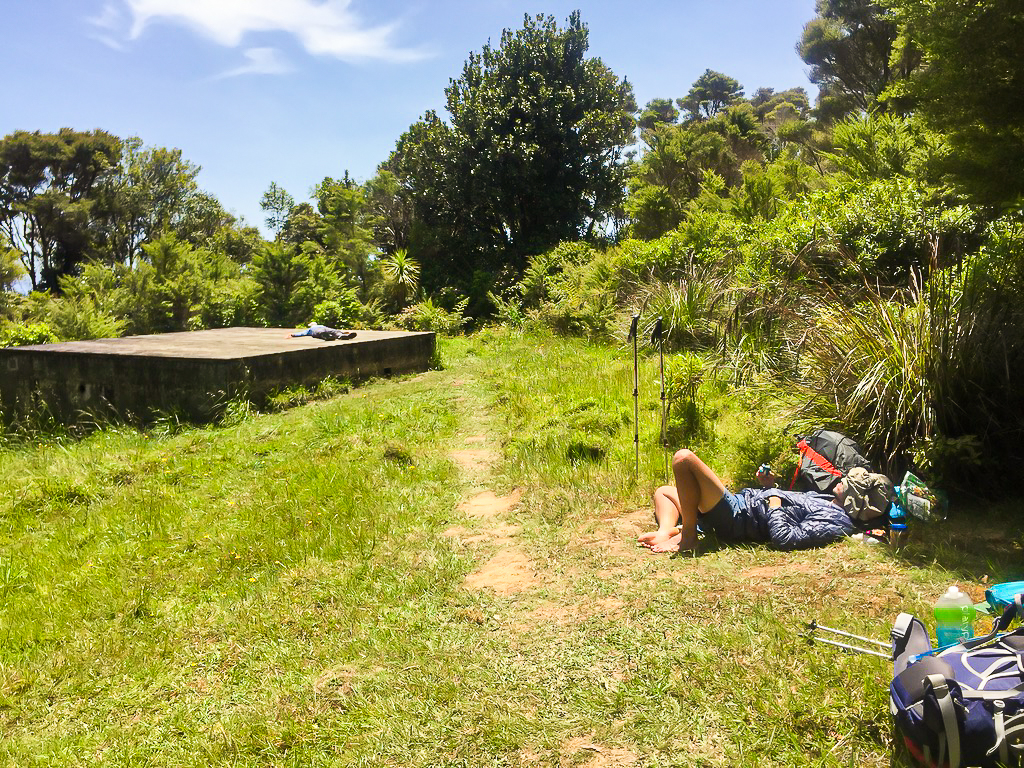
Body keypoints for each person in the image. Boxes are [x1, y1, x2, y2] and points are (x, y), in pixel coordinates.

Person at [637, 449, 855, 554]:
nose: (846, 481)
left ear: (856, 501)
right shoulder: (827, 499)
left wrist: (773, 500)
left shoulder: (835, 520)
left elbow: (785, 538)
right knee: (664, 492)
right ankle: (666, 530)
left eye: (853, 484)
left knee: (683, 459)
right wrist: (769, 487)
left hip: (739, 517)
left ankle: (690, 535)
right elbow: (788, 506)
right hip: (741, 502)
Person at [289, 323, 356, 341]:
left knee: (320, 333)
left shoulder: (310, 329)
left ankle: (327, 337)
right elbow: (332, 329)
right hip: (326, 329)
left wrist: (293, 335)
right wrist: (343, 332)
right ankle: (342, 336)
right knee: (335, 332)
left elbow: (302, 333)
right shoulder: (322, 325)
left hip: (319, 331)